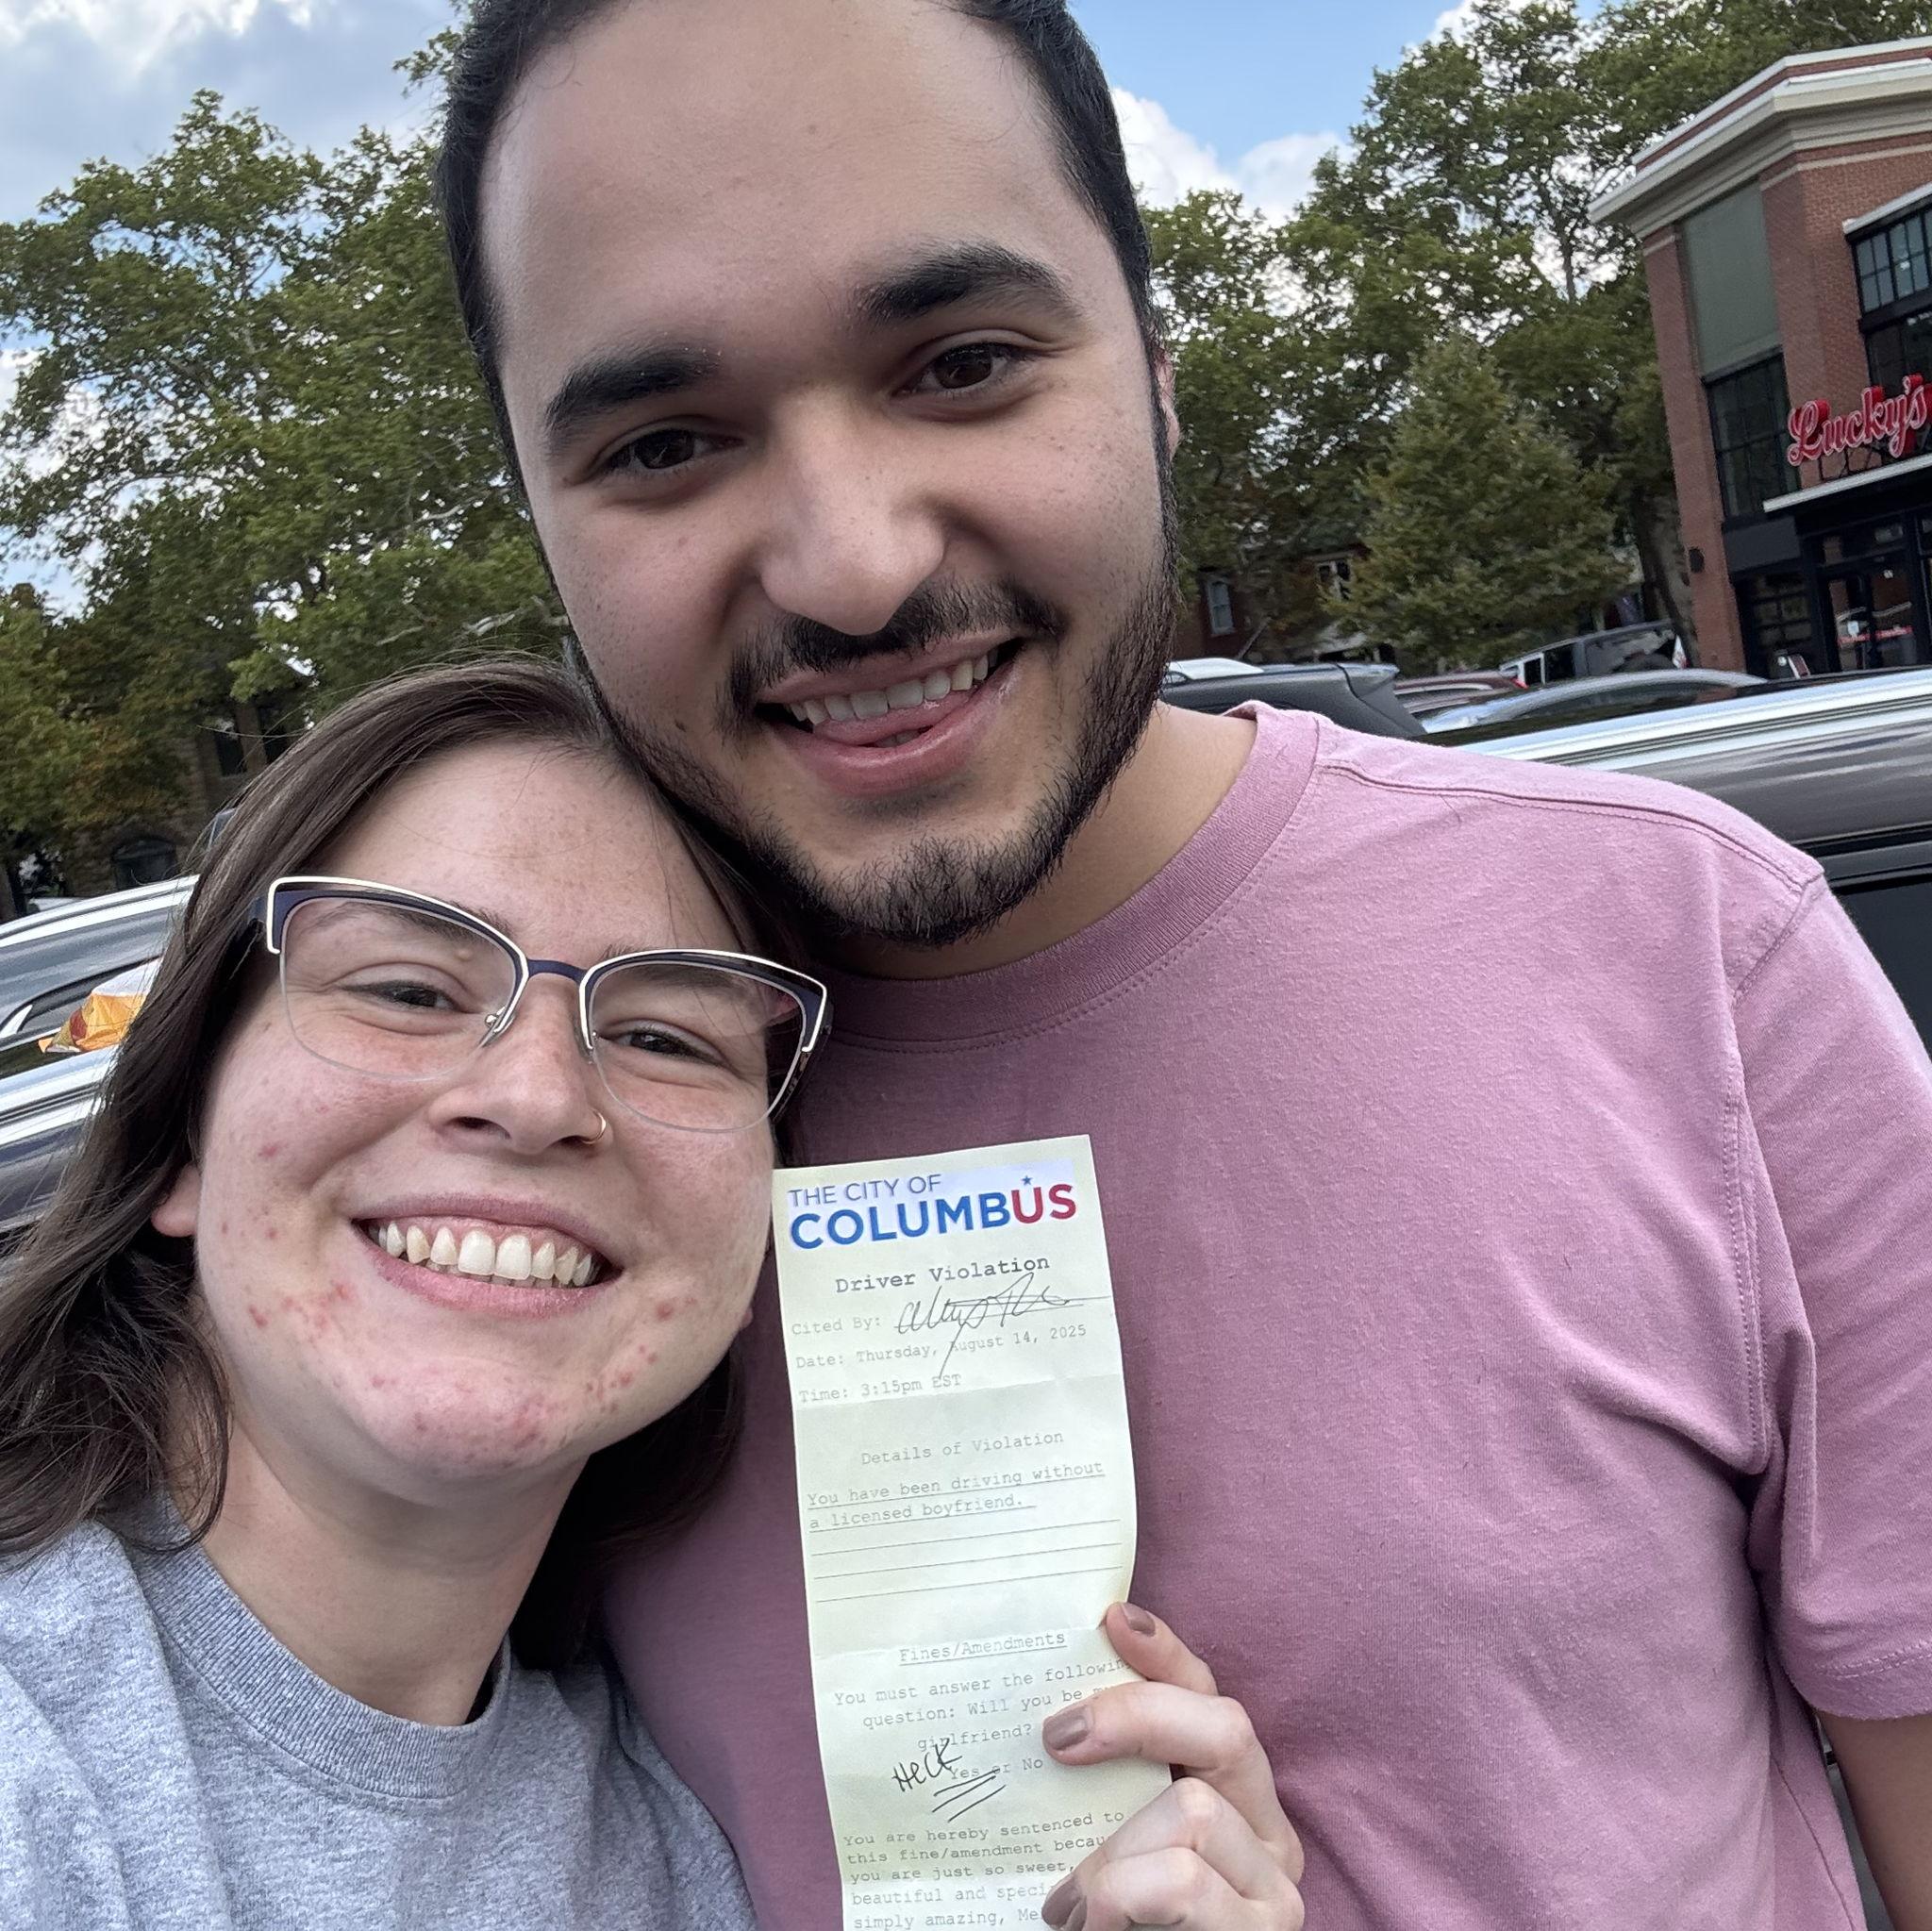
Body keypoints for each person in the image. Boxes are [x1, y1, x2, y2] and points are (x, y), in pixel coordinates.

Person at [433, 7, 1932, 1929]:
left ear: (1152, 374)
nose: (853, 564)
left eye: (960, 364)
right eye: (661, 443)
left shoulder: (1694, 963)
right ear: (537, 516)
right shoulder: (492, 1168)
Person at [0, 657, 1307, 1929]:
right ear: (182, 1132)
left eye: (662, 1035)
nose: (534, 1099)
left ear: (755, 1246)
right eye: (407, 987)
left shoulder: (693, 1841)